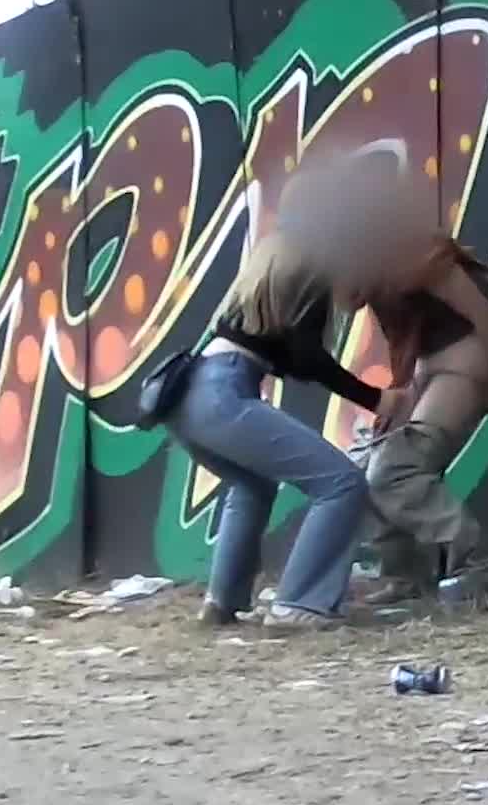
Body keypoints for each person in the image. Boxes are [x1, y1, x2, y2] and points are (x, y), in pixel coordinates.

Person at [163, 233, 410, 630]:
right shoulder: (314, 269)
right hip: (222, 390)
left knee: (253, 485)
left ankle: (222, 602)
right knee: (342, 483)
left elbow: (296, 358)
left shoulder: (265, 284)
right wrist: (376, 399)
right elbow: (307, 358)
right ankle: (299, 605)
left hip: (191, 394)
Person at [351, 233, 488, 608]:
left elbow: (483, 313)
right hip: (430, 367)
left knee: (396, 470)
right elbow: (404, 342)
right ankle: (402, 575)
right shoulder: (374, 278)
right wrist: (399, 399)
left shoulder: (410, 255)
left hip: (465, 362)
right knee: (364, 464)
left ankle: (477, 565)